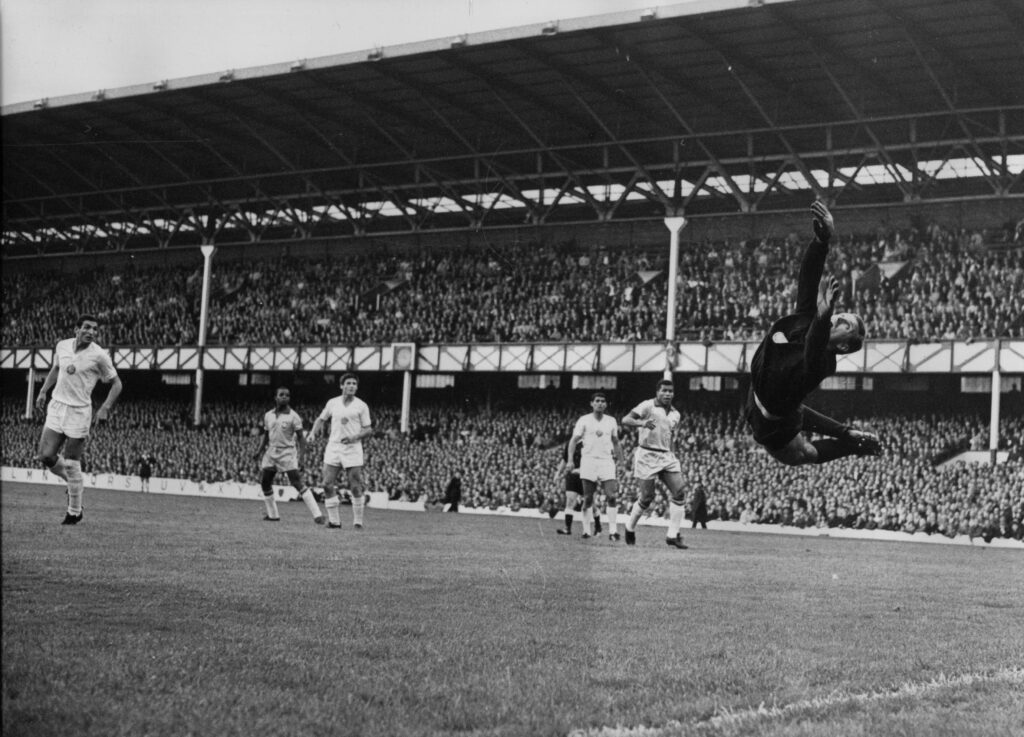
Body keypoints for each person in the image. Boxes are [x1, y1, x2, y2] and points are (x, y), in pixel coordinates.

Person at [746, 201, 882, 465]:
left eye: (847, 325)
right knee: (797, 412)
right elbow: (807, 280)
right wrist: (821, 241)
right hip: (756, 391)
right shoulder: (811, 319)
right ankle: (848, 433)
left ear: (843, 347)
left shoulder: (822, 364)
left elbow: (813, 347)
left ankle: (851, 444)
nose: (840, 317)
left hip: (772, 422)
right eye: (842, 315)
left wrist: (822, 316)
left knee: (803, 453)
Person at [33, 314, 122, 525]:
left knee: (72, 463)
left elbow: (117, 384)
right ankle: (75, 483)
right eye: (87, 327)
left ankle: (74, 512)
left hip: (79, 412)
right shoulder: (62, 346)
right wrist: (44, 391)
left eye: (95, 329)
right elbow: (56, 369)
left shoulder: (99, 355)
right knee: (45, 456)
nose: (92, 332)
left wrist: (105, 408)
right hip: (57, 406)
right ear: (76, 329)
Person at [621, 379, 689, 549]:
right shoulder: (647, 406)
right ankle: (629, 527)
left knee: (680, 492)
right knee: (646, 498)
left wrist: (672, 452)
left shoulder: (676, 414)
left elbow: (668, 435)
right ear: (657, 391)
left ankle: (672, 535)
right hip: (647, 454)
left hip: (666, 456)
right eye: (664, 390)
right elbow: (625, 420)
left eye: (670, 391)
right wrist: (642, 422)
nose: (667, 394)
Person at [253, 386, 324, 524]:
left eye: (287, 395)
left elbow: (301, 439)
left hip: (287, 452)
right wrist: (259, 451)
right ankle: (273, 515)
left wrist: (301, 458)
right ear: (276, 397)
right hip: (272, 452)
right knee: (265, 483)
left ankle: (318, 515)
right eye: (281, 394)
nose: (285, 397)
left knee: (296, 482)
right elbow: (266, 435)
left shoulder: (294, 416)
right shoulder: (268, 415)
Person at [311, 373, 373, 530]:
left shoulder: (361, 405)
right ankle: (335, 521)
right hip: (334, 446)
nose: (352, 386)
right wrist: (312, 433)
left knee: (355, 486)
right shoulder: (333, 403)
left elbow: (368, 429)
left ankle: (358, 522)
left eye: (354, 383)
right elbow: (321, 419)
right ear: (341, 386)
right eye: (349, 383)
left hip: (352, 448)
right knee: (326, 484)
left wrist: (354, 437)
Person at [567, 392, 624, 541]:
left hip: (606, 460)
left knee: (612, 496)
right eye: (597, 401)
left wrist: (622, 463)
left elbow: (616, 442)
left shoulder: (611, 421)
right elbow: (573, 441)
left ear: (606, 404)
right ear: (591, 403)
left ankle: (613, 531)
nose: (600, 403)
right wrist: (570, 460)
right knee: (587, 499)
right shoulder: (584, 420)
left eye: (603, 401)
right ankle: (586, 530)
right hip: (589, 461)